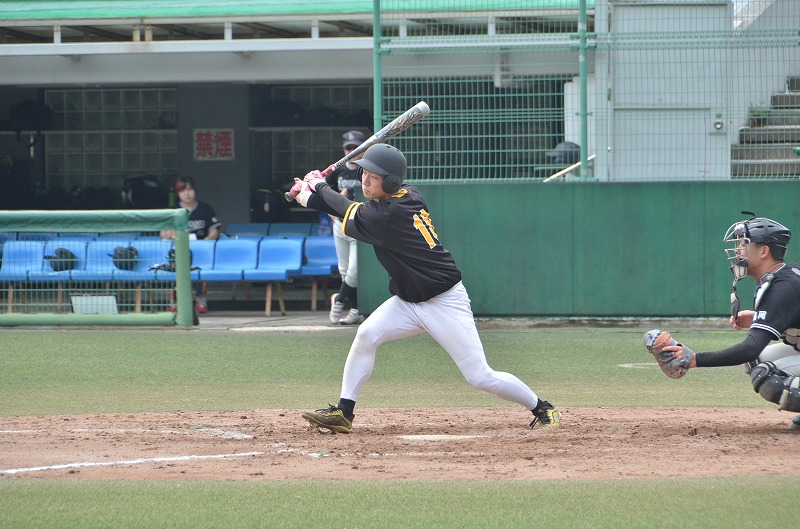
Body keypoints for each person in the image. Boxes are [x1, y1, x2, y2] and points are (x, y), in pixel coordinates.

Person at [288, 143, 561, 433]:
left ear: (391, 183)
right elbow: (343, 210)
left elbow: (346, 209)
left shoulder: (387, 215)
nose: (365, 180)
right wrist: (306, 195)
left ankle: (542, 407)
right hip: (408, 302)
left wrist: (317, 185)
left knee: (480, 376)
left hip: (443, 302)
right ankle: (344, 412)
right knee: (366, 334)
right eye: (364, 173)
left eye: (374, 176)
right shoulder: (408, 194)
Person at [661, 214, 800, 431]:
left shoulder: (783, 287)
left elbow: (750, 348)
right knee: (759, 362)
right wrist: (757, 318)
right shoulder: (783, 277)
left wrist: (695, 359)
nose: (737, 250)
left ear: (764, 251)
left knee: (767, 375)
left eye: (743, 244)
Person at [159, 176, 222, 313]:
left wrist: (208, 239)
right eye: (182, 191)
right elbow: (163, 232)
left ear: (195, 190)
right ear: (178, 193)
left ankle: (200, 298)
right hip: (178, 251)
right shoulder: (173, 210)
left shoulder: (205, 208)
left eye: (189, 190)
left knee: (199, 272)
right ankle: (174, 300)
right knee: (175, 272)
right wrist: (170, 234)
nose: (187, 194)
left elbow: (214, 230)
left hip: (200, 250)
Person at [325, 130, 367, 325]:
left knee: (354, 272)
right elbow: (324, 190)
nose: (352, 151)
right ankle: (355, 310)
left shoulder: (367, 169)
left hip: (359, 225)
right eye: (348, 148)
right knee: (344, 272)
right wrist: (330, 209)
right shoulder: (337, 169)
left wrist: (348, 192)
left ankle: (339, 300)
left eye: (355, 147)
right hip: (339, 225)